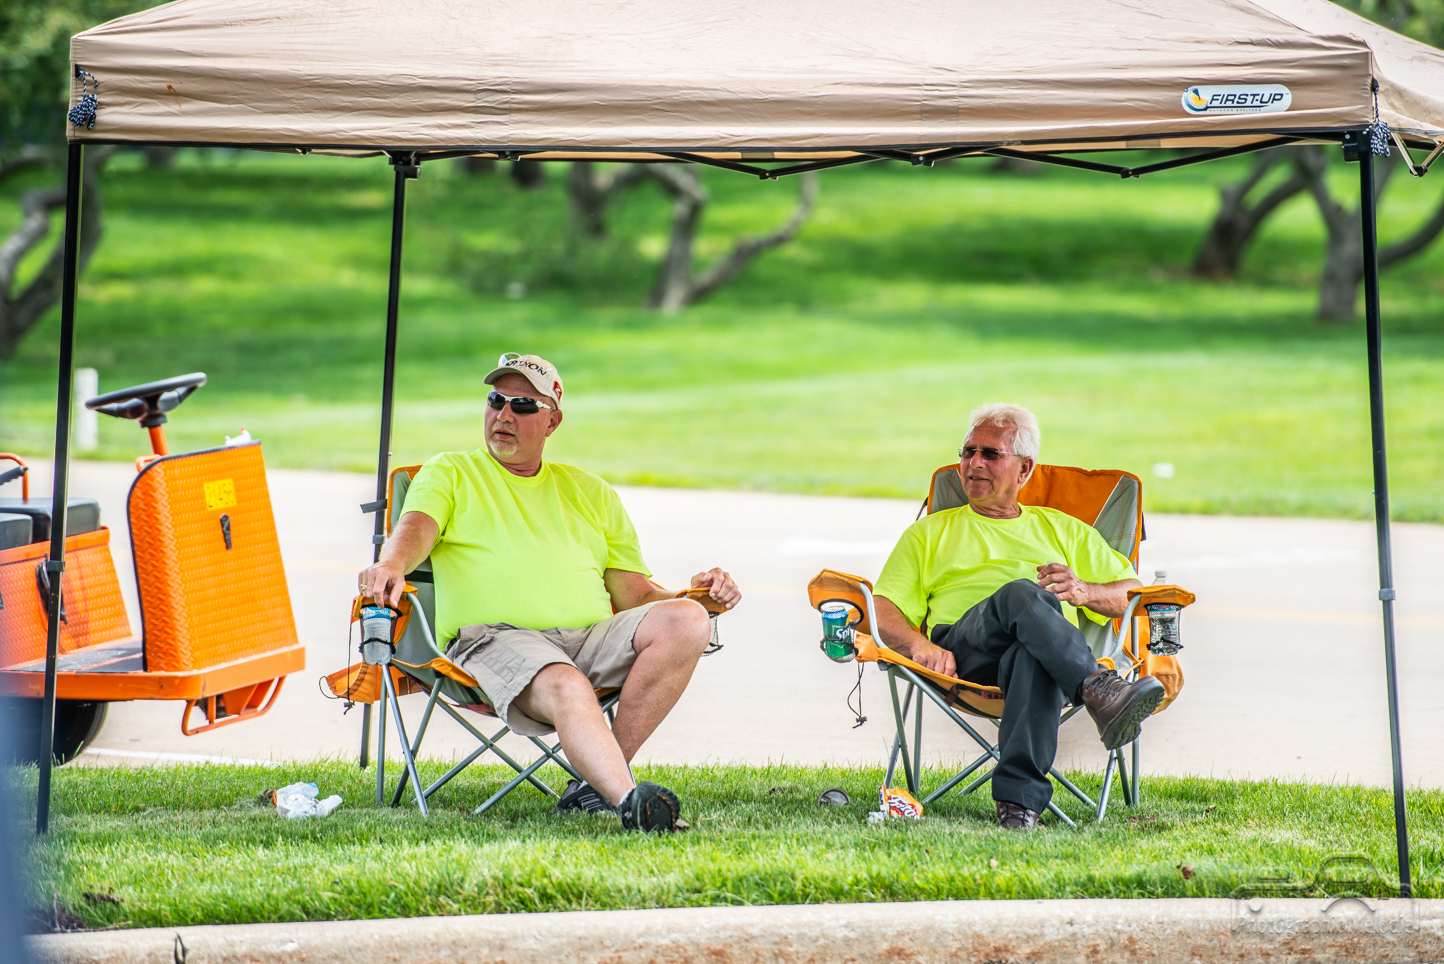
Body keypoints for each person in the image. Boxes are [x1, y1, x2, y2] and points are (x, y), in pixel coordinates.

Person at [359, 352, 740, 833]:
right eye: (496, 400)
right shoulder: (450, 472)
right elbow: (416, 529)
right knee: (565, 681)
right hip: (493, 642)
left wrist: (699, 596)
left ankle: (591, 787)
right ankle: (628, 801)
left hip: (590, 640)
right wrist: (392, 563)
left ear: (552, 422)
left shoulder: (592, 492)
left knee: (687, 620)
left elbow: (635, 597)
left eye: (522, 405)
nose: (504, 414)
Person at [871, 402, 1163, 830]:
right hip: (964, 653)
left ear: (1024, 469)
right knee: (1022, 593)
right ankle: (1098, 689)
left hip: (1046, 658)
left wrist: (1085, 591)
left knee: (1032, 656)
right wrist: (917, 644)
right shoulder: (929, 533)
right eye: (968, 451)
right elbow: (882, 607)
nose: (974, 463)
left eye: (990, 453)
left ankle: (1018, 808)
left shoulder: (1064, 529)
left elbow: (1135, 596)